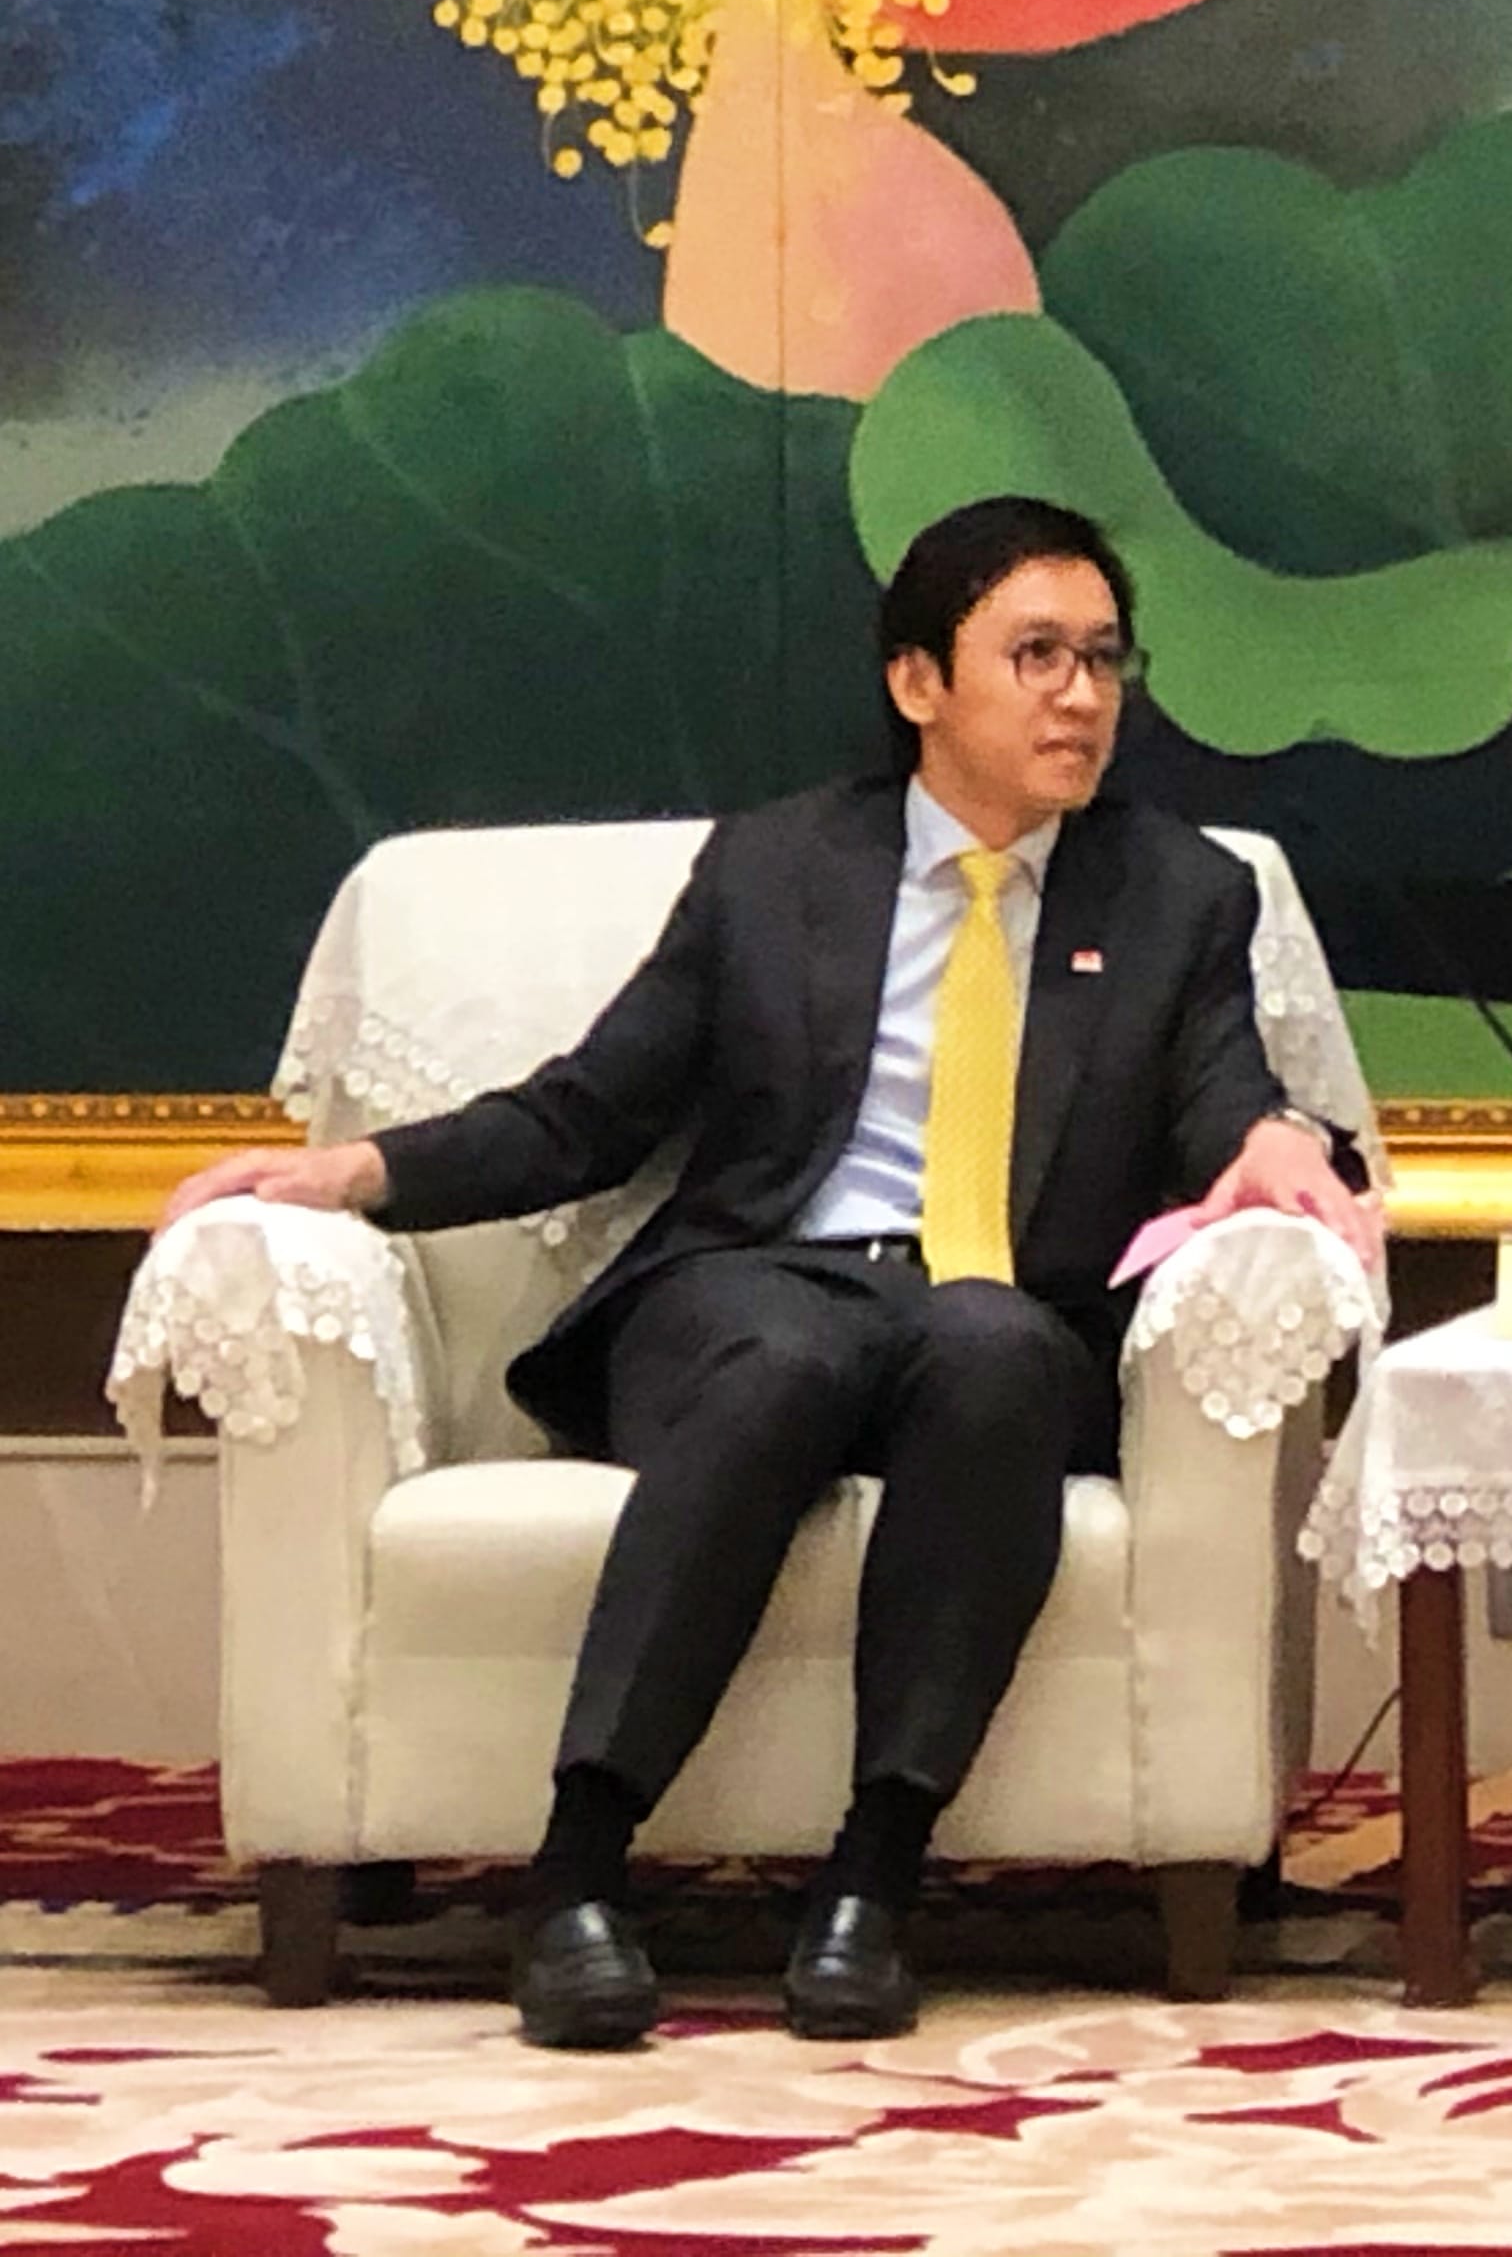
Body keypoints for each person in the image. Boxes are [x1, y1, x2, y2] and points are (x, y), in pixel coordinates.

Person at [158, 496, 1364, 2051]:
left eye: (1105, 660)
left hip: (989, 1328)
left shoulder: (1182, 890)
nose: (1082, 696)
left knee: (991, 1347)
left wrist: (1276, 1138)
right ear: (920, 682)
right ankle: (579, 1870)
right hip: (756, 1289)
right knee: (792, 1359)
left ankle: (872, 1881)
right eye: (1038, 656)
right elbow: (592, 1110)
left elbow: (1219, 1096)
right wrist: (354, 1172)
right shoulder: (779, 866)